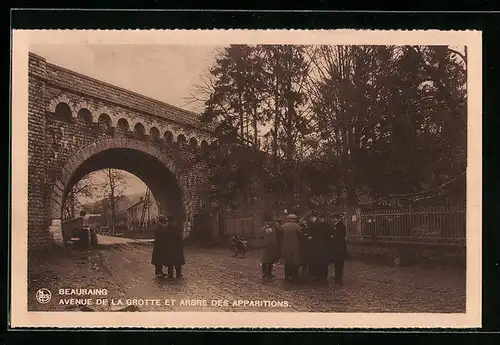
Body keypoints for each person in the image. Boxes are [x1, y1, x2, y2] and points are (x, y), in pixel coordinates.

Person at [308, 212, 331, 284]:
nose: (320, 219)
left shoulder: (317, 225)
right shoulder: (323, 225)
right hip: (323, 246)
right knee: (322, 262)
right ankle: (322, 276)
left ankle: (320, 276)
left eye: (321, 218)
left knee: (319, 261)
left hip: (319, 246)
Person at [280, 214, 303, 282]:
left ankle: (287, 276)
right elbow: (301, 235)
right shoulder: (297, 226)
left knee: (287, 261)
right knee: (295, 261)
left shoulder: (283, 226)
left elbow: (279, 236)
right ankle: (294, 276)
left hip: (285, 246)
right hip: (295, 247)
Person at [259, 214, 280, 279]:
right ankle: (264, 274)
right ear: (267, 221)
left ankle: (269, 273)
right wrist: (262, 244)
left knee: (270, 261)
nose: (271, 222)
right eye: (270, 221)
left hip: (272, 246)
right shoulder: (262, 229)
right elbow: (260, 238)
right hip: (265, 247)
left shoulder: (274, 228)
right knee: (265, 261)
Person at [331, 213, 347, 285]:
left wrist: (333, 237)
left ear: (337, 218)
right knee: (336, 261)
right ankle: (336, 275)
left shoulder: (341, 225)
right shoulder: (335, 225)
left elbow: (341, 236)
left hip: (340, 247)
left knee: (340, 262)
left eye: (334, 218)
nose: (332, 219)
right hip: (336, 247)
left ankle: (339, 276)